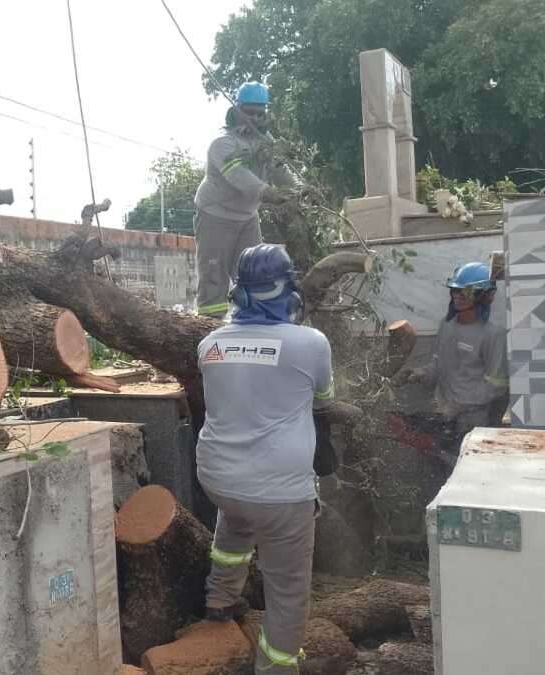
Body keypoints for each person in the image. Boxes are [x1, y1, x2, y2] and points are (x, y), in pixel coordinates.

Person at [196, 244, 333, 674]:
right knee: (288, 586)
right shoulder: (310, 343)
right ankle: (276, 665)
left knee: (236, 519)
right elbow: (325, 399)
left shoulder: (210, 344)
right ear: (289, 289)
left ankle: (219, 597)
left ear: (238, 292)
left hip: (218, 477)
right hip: (278, 491)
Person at [193, 81, 296, 318]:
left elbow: (282, 172)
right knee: (213, 275)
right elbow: (239, 175)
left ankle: (253, 323)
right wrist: (268, 192)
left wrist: (299, 192)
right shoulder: (223, 144)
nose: (256, 118)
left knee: (256, 273)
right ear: (237, 110)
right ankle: (209, 327)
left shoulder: (266, 142)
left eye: (261, 113)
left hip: (248, 217)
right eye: (250, 112)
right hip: (215, 215)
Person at [393, 262, 508, 451]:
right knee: (442, 469)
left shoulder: (493, 334)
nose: (458, 295)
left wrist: (458, 406)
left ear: (486, 296)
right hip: (443, 416)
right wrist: (419, 373)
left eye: (467, 291)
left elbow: (496, 386)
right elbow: (439, 365)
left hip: (474, 423)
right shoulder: (447, 326)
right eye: (455, 290)